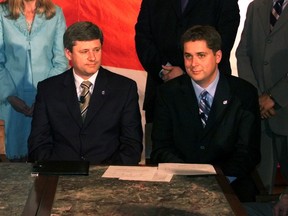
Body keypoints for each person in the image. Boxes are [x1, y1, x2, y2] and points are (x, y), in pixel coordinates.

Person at [150, 25, 261, 202]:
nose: (193, 64)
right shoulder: (168, 93)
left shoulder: (243, 93)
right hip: (179, 186)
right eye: (188, 56)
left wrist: (218, 181)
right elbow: (161, 148)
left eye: (201, 55)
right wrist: (190, 178)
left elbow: (248, 152)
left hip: (230, 186)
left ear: (218, 56)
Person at [28, 21, 143, 165]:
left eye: (96, 50)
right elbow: (38, 144)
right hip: (61, 176)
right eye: (84, 52)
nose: (92, 57)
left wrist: (106, 174)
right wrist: (59, 171)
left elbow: (132, 145)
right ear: (68, 54)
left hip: (107, 178)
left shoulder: (124, 88)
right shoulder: (48, 90)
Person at [135, 0, 240, 123]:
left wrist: (186, 73)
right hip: (161, 92)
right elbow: (143, 38)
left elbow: (222, 43)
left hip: (209, 97)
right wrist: (164, 70)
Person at [0, 0, 68, 161]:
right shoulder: (2, 12)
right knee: (14, 169)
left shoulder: (55, 13)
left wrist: (44, 98)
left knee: (44, 162)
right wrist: (9, 95)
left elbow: (61, 62)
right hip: (11, 100)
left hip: (46, 101)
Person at [236, 0, 288, 194]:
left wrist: (274, 97)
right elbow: (243, 53)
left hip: (283, 108)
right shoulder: (255, 6)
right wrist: (256, 96)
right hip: (260, 114)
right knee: (259, 190)